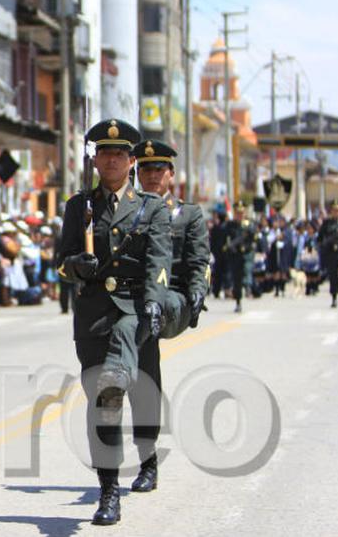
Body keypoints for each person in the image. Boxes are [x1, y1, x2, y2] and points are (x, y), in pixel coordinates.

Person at [56, 119, 171, 526]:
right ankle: (108, 489)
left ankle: (145, 459)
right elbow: (61, 263)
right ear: (95, 159)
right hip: (92, 316)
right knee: (101, 402)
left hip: (134, 311)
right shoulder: (78, 206)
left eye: (120, 153)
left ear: (131, 160)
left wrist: (155, 303)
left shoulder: (151, 207)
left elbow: (159, 262)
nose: (112, 159)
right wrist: (76, 265)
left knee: (127, 393)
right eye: (104, 152)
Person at [129, 139, 209, 493]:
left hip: (171, 297)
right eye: (145, 169)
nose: (151, 176)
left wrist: (196, 292)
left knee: (147, 359)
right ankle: (141, 459)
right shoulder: (127, 210)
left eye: (158, 169)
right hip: (134, 300)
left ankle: (147, 462)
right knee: (135, 377)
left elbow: (198, 262)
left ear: (171, 175)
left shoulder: (187, 214)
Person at [223, 201, 255, 313]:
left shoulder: (249, 225)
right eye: (237, 213)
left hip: (246, 255)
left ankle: (248, 288)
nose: (239, 215)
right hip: (235, 256)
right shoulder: (230, 225)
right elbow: (225, 238)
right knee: (236, 280)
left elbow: (252, 240)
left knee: (247, 270)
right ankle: (238, 301)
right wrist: (228, 247)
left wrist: (245, 247)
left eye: (241, 213)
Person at [317, 200, 338, 308]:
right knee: (333, 276)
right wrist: (324, 245)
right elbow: (320, 238)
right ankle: (334, 297)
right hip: (332, 254)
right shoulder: (327, 223)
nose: (336, 212)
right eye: (334, 210)